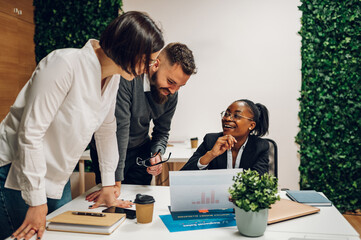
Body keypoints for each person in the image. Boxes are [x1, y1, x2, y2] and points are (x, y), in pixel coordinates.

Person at [0, 11, 164, 240]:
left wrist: (108, 185)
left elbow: (107, 130)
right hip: (17, 170)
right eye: (148, 60)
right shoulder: (63, 63)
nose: (150, 68)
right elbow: (31, 134)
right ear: (128, 49)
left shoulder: (113, 77)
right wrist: (36, 202)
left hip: (56, 173)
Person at [86, 42, 196, 202]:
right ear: (156, 65)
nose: (173, 91)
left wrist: (157, 153)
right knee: (109, 203)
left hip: (140, 152)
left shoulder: (171, 93)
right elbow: (120, 127)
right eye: (171, 82)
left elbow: (162, 131)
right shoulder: (128, 78)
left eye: (180, 86)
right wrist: (115, 182)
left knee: (137, 204)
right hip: (109, 150)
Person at [181, 99, 270, 175]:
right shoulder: (211, 140)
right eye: (226, 114)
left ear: (251, 125)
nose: (227, 118)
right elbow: (182, 176)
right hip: (216, 195)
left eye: (236, 116)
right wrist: (211, 154)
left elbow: (259, 182)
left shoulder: (260, 146)